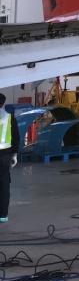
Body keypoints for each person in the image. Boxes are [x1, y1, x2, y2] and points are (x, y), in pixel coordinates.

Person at [0, 93, 21, 223]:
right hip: (5, 155)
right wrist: (14, 154)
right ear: (3, 104)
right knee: (3, 183)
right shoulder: (9, 118)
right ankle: (2, 215)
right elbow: (16, 137)